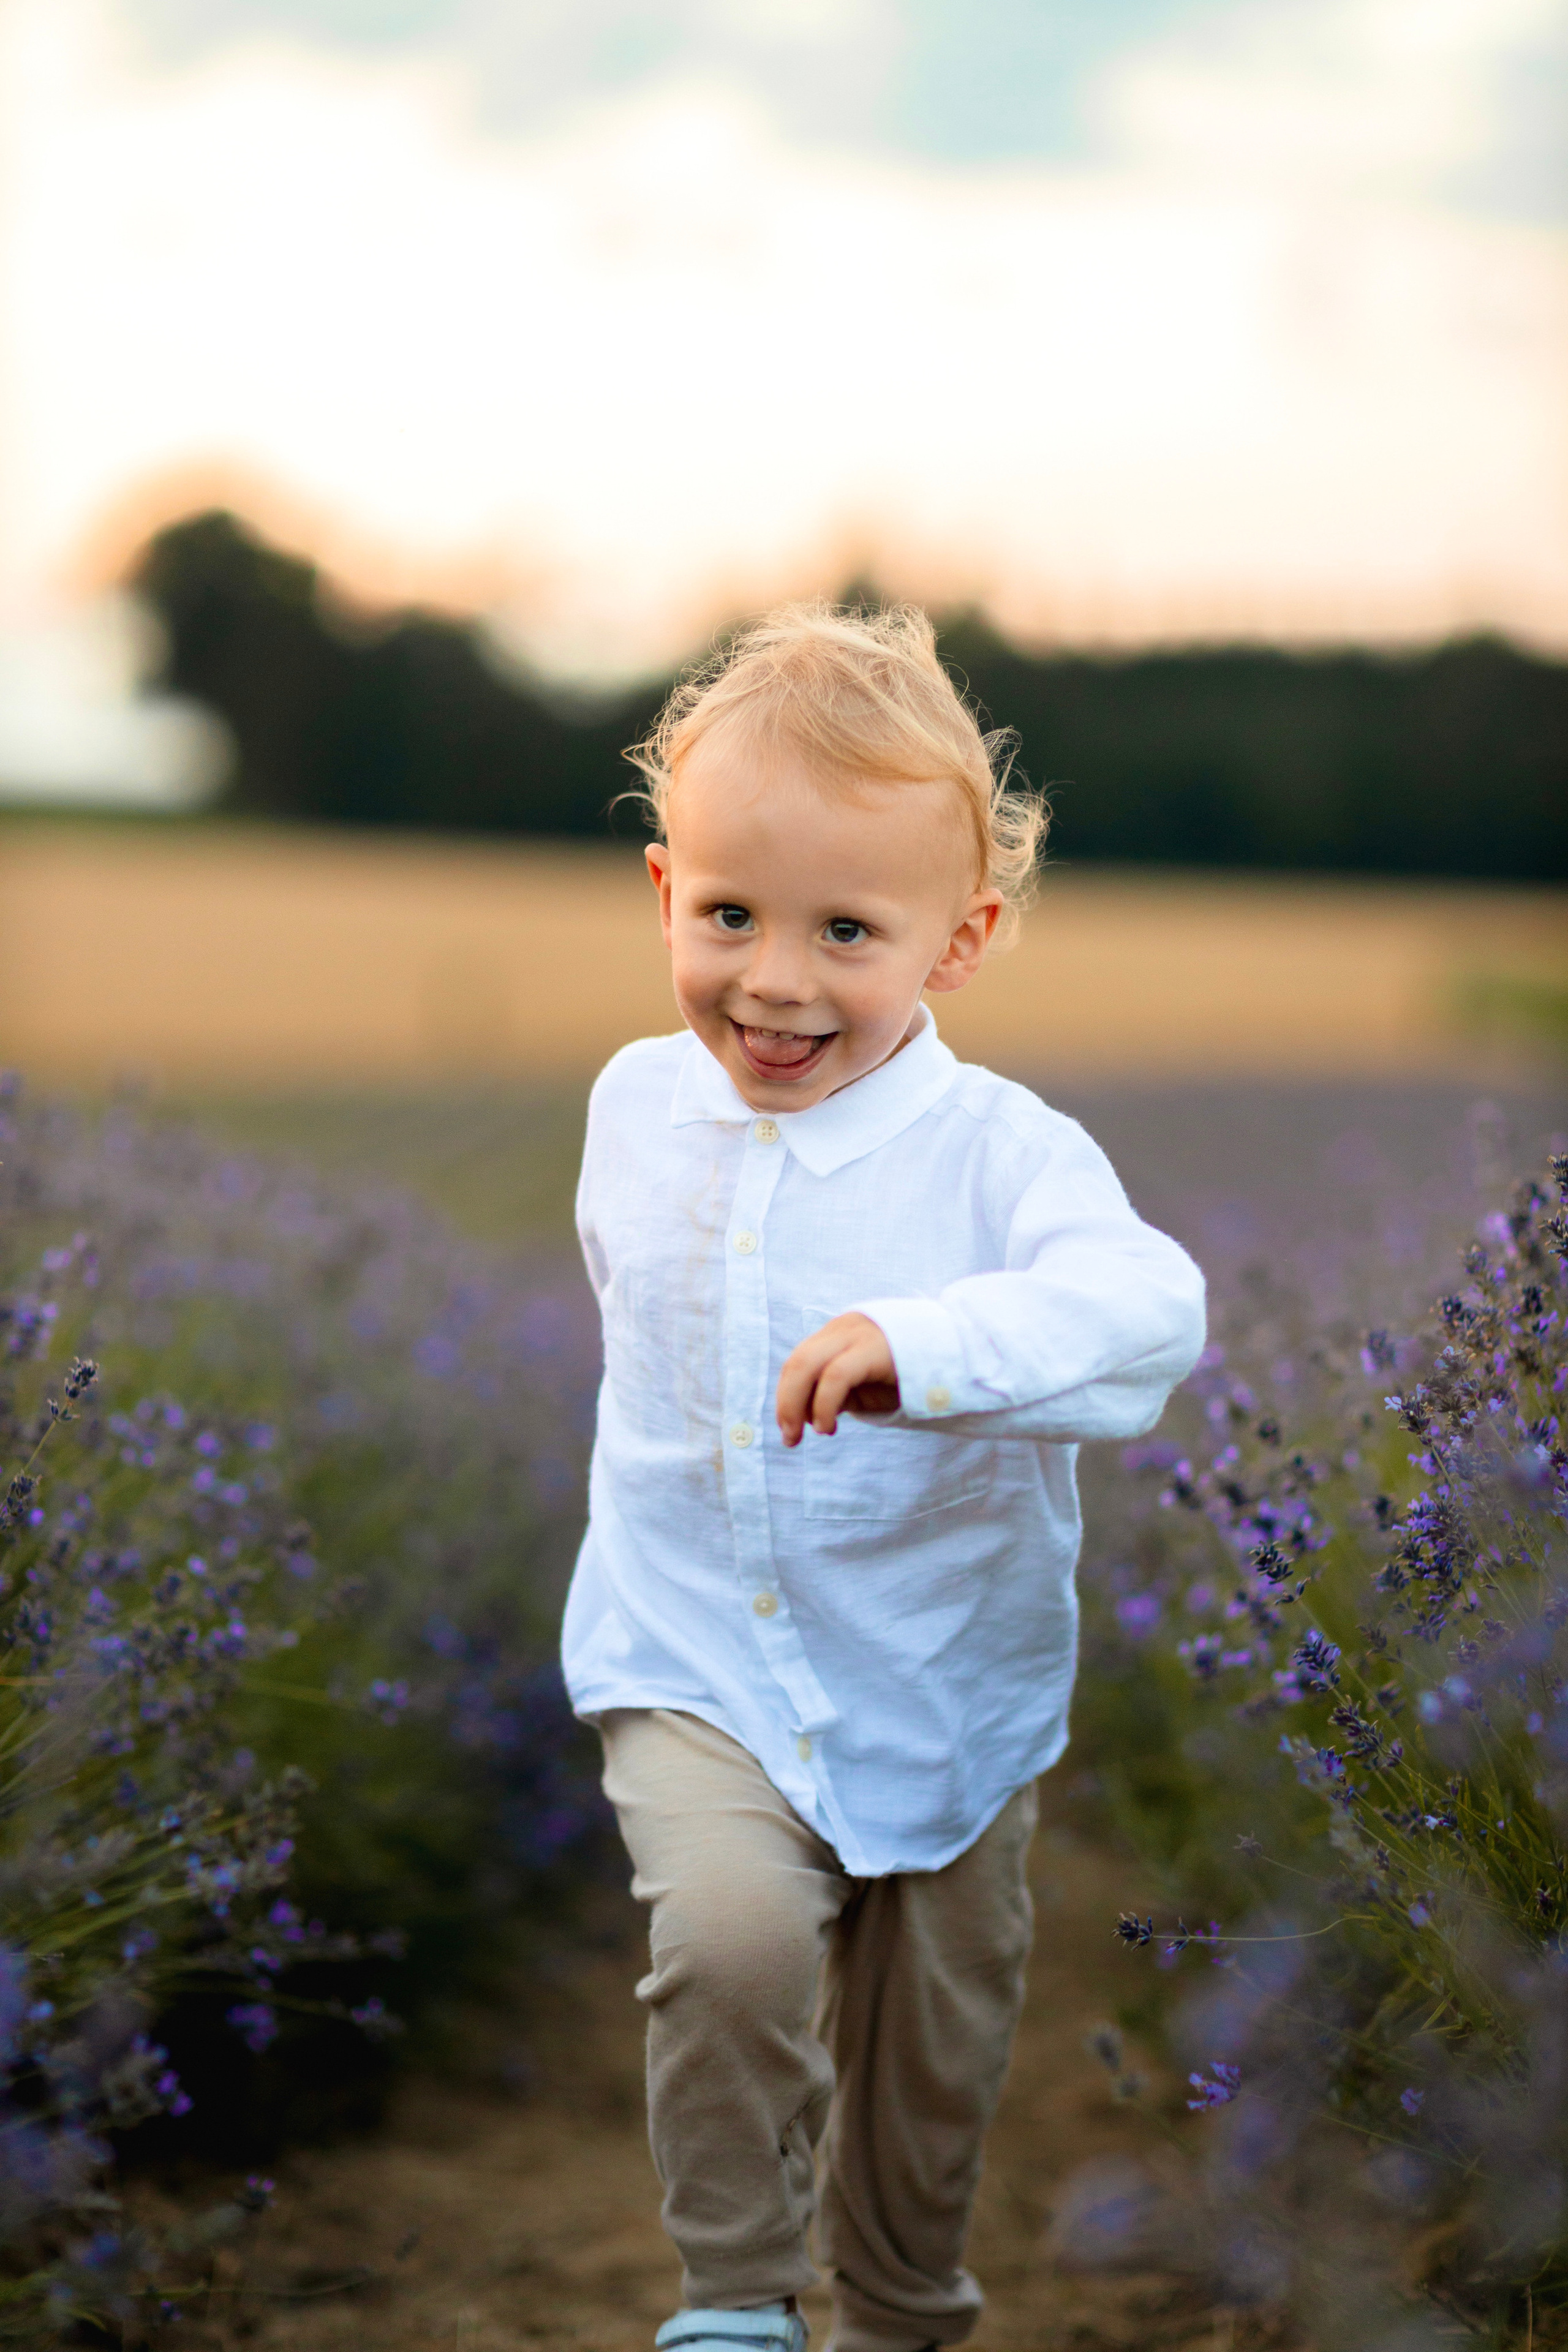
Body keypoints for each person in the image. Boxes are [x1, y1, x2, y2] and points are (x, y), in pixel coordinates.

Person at [562, 603, 1206, 2352]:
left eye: (848, 929)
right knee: (733, 1944)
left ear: (963, 937)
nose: (775, 979)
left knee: (931, 2064)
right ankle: (734, 2299)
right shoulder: (632, 1109)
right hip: (694, 1653)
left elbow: (1147, 1316)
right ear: (663, 893)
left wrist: (930, 1344)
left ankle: (905, 2310)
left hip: (942, 1681)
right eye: (729, 917)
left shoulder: (1002, 1154)